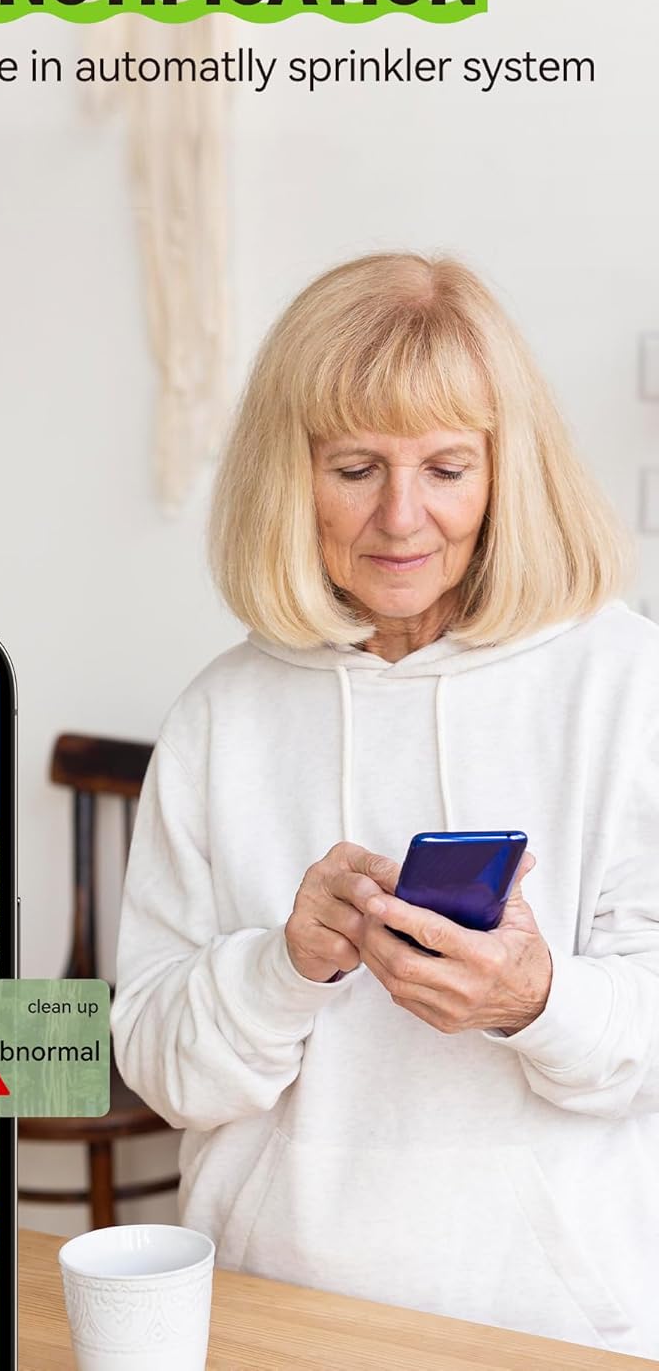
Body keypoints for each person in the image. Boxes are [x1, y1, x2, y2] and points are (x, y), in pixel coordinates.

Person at [110, 252, 659, 1357]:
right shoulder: (222, 712)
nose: (403, 518)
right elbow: (163, 1068)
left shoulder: (623, 683)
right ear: (288, 475)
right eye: (355, 468)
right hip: (279, 1309)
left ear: (507, 474)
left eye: (447, 468)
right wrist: (285, 966)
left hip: (554, 1322)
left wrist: (535, 998)